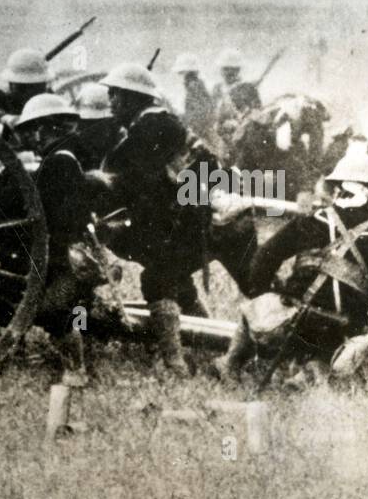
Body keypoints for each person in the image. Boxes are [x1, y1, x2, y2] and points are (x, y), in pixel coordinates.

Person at [97, 62, 257, 372]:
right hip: (214, 213)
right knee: (195, 279)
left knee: (157, 278)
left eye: (115, 95)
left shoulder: (148, 130)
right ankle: (211, 342)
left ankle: (174, 362)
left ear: (131, 98)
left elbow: (146, 187)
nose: (111, 102)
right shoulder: (161, 123)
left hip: (206, 219)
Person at [215, 151, 368, 385]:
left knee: (257, 310)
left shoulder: (310, 222)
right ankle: (310, 373)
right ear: (366, 193)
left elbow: (263, 258)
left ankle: (231, 362)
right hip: (343, 331)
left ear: (340, 188)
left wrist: (267, 293)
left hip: (293, 321)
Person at [13, 94, 99, 376]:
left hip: (66, 262)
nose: (32, 138)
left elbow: (43, 214)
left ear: (45, 128)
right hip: (69, 258)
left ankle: (77, 369)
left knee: (52, 311)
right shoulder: (67, 158)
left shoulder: (57, 163)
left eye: (33, 130)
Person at [0, 48, 51, 140]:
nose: (29, 93)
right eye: (23, 87)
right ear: (11, 85)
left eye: (36, 87)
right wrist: (7, 119)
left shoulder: (49, 100)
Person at [173, 53, 224, 148]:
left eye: (186, 75)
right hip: (204, 131)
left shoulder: (194, 88)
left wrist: (183, 119)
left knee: (204, 160)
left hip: (202, 133)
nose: (184, 79)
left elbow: (201, 114)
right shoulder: (197, 87)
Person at [68, 82, 118, 170]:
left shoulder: (122, 150)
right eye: (85, 123)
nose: (86, 130)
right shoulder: (73, 151)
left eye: (95, 123)